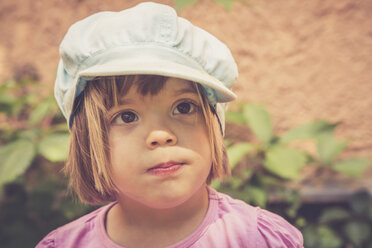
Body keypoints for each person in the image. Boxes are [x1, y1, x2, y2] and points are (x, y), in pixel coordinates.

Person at [36, 2, 303, 247]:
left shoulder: (257, 238)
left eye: (183, 107)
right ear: (87, 141)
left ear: (214, 125)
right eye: (126, 116)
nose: (161, 135)